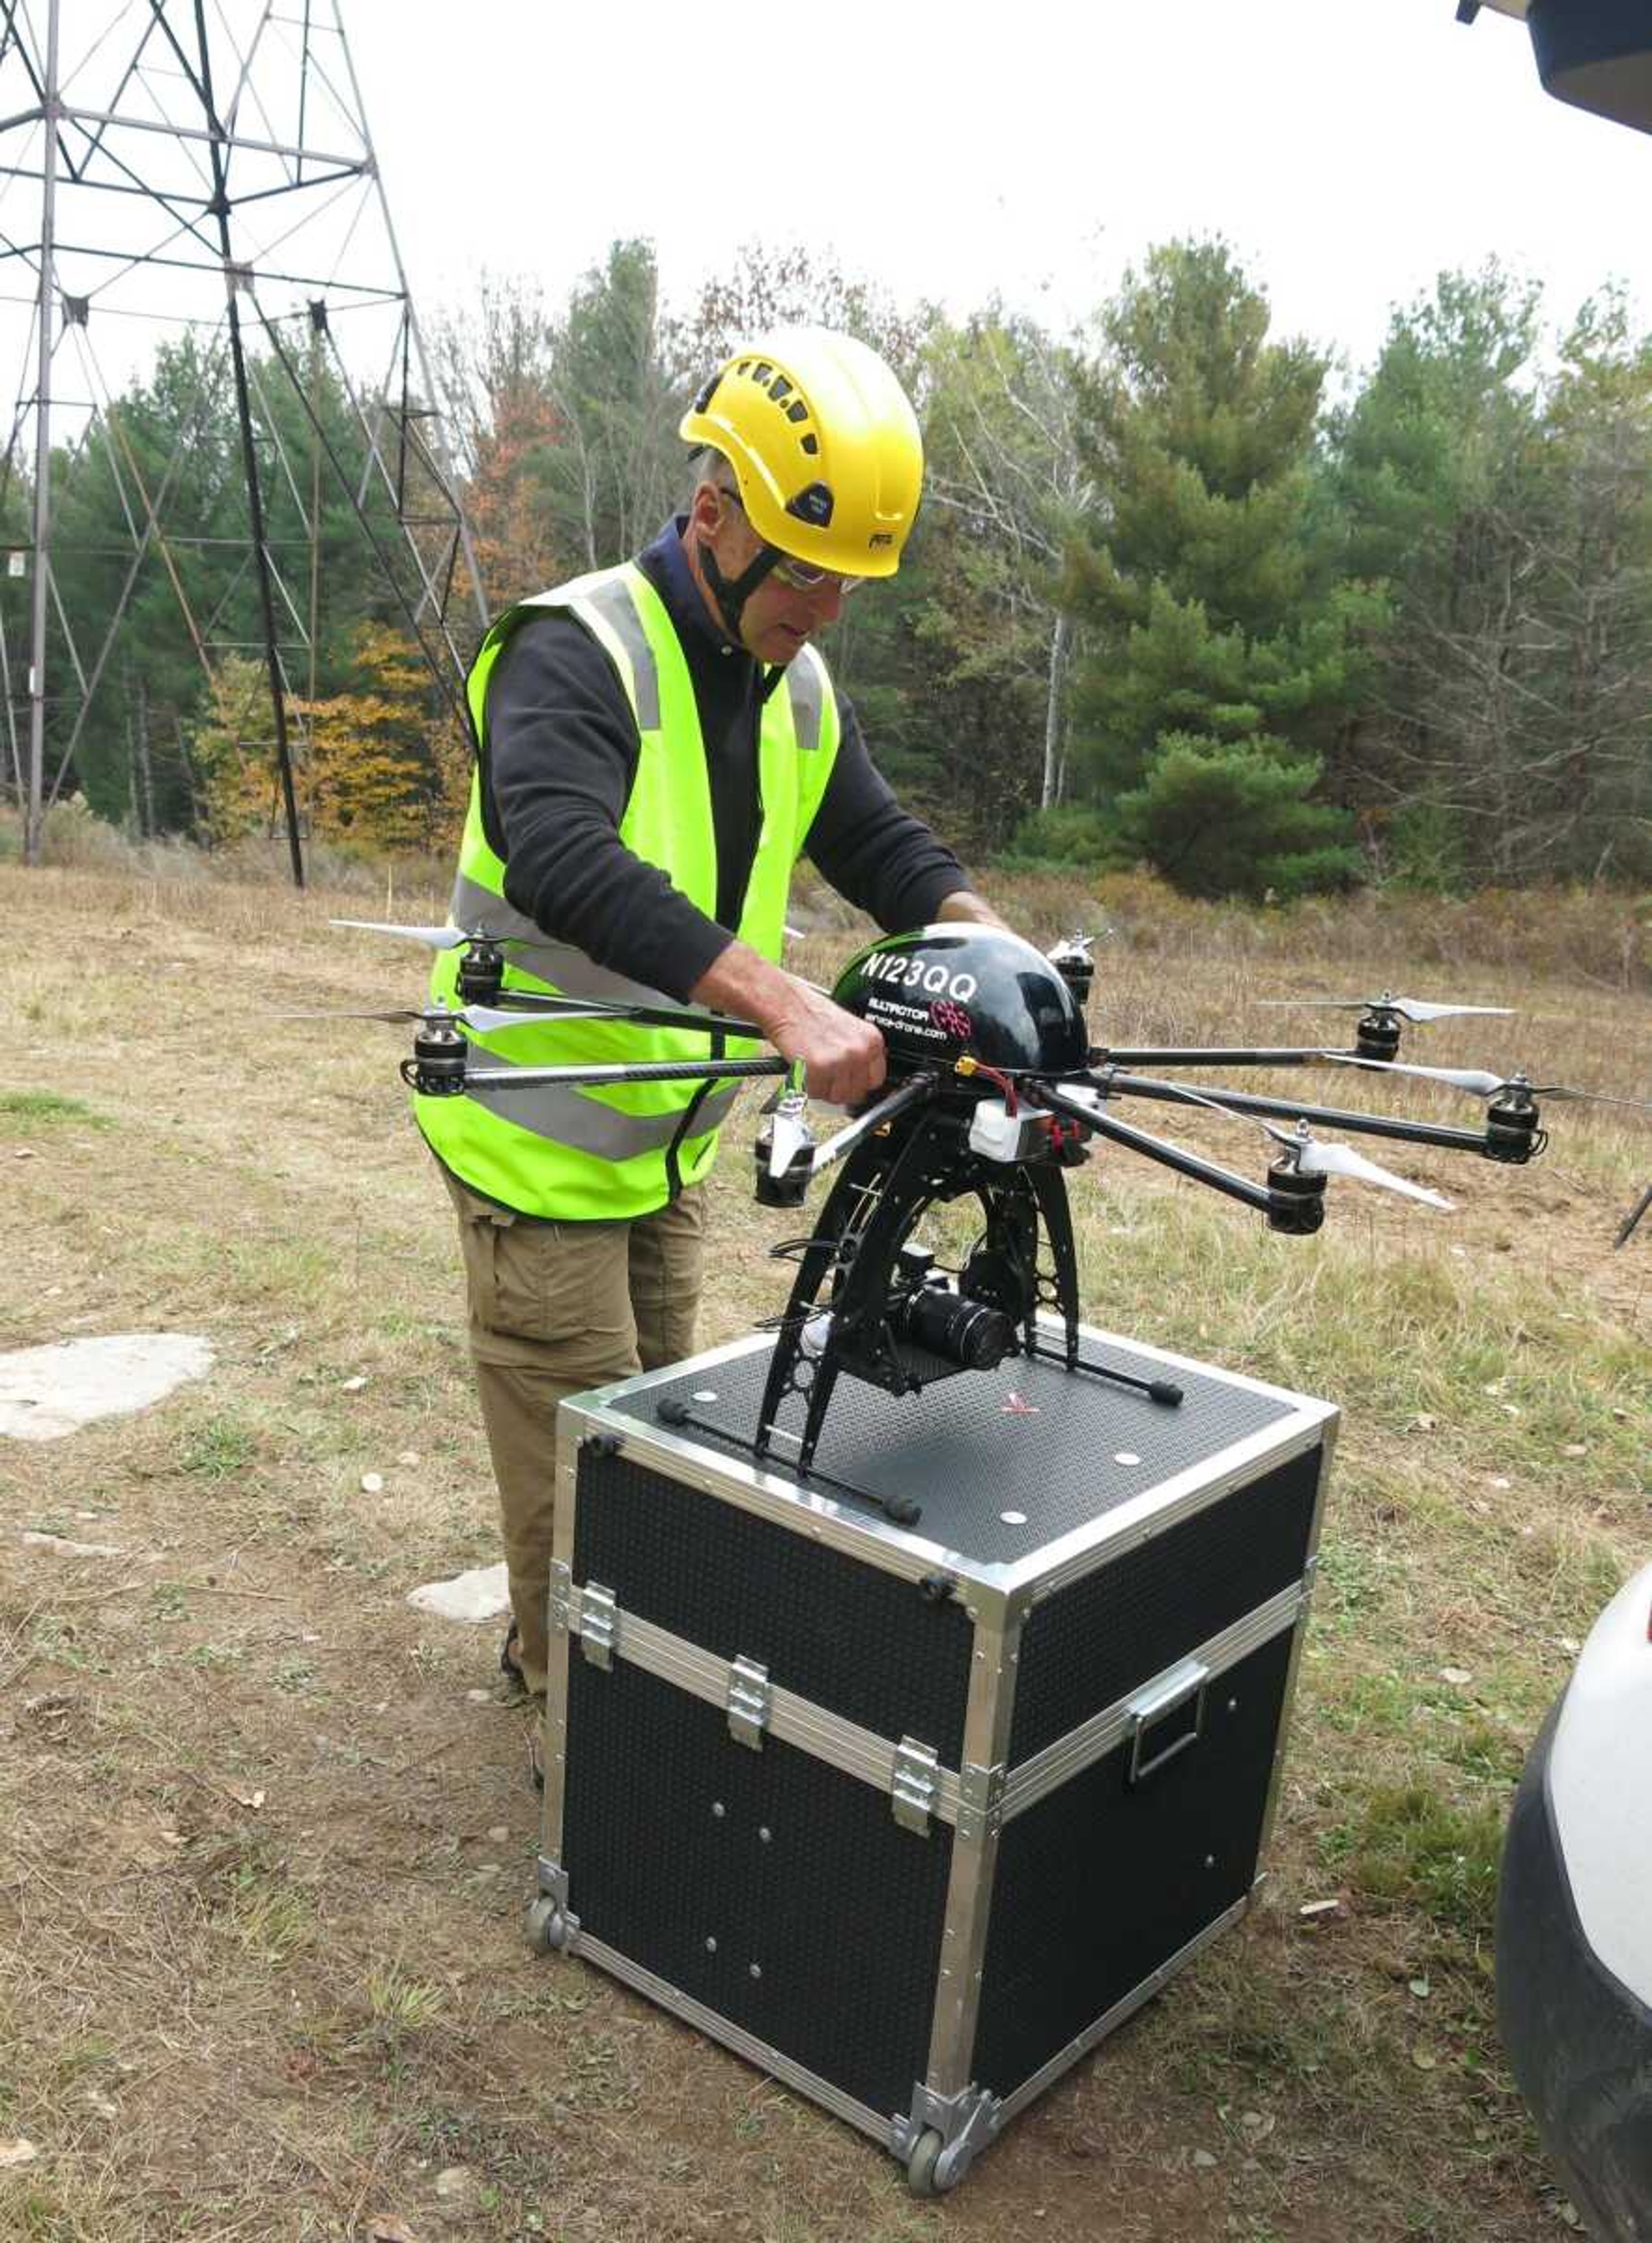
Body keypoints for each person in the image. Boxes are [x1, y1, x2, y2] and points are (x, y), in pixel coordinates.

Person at [415, 326, 1005, 1771]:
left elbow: (877, 839)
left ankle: (601, 1669)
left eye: (851, 582)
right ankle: (592, 1758)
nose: (828, 606)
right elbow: (559, 851)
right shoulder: (576, 645)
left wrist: (998, 954)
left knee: (661, 1445)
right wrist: (787, 1003)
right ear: (715, 515)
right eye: (806, 568)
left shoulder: (789, 677)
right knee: (591, 1470)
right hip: (536, 1131)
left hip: (660, 1137)